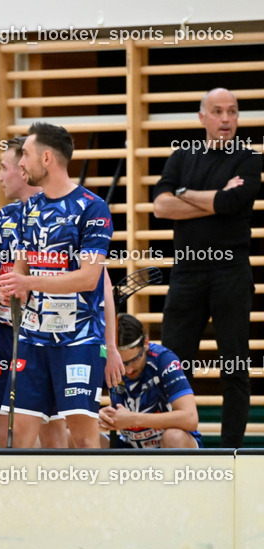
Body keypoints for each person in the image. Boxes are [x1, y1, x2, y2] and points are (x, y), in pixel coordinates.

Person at [152, 88, 261, 449]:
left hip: (230, 271)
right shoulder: (183, 156)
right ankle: (177, 441)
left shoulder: (249, 159)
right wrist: (213, 199)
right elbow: (161, 208)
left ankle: (231, 449)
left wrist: (185, 194)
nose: (226, 119)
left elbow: (233, 201)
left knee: (234, 366)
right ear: (202, 117)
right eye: (217, 111)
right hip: (187, 272)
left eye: (232, 112)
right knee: (174, 362)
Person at [0, 122, 113, 449]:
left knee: (84, 437)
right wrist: (11, 288)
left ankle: (90, 500)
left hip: (78, 338)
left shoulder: (92, 208)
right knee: (18, 436)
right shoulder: (26, 211)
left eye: (27, 155)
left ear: (47, 158)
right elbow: (19, 271)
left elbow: (89, 278)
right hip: (32, 338)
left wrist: (27, 280)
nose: (20, 163)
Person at [99, 313, 202, 448]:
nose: (128, 370)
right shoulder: (106, 360)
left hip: (167, 444)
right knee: (75, 435)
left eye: (135, 360)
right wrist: (98, 418)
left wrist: (133, 419)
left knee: (174, 437)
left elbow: (190, 418)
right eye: (122, 364)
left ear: (146, 343)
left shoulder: (164, 360)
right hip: (129, 444)